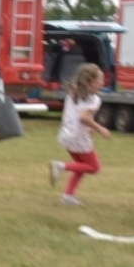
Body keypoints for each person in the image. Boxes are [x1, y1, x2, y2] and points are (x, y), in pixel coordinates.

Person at [51, 63, 110, 205]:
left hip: (66, 135)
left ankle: (68, 196)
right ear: (90, 82)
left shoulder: (72, 93)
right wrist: (100, 129)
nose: (103, 82)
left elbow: (75, 115)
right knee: (94, 168)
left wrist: (89, 128)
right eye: (100, 80)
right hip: (79, 138)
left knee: (81, 166)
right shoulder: (94, 99)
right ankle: (61, 166)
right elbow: (83, 118)